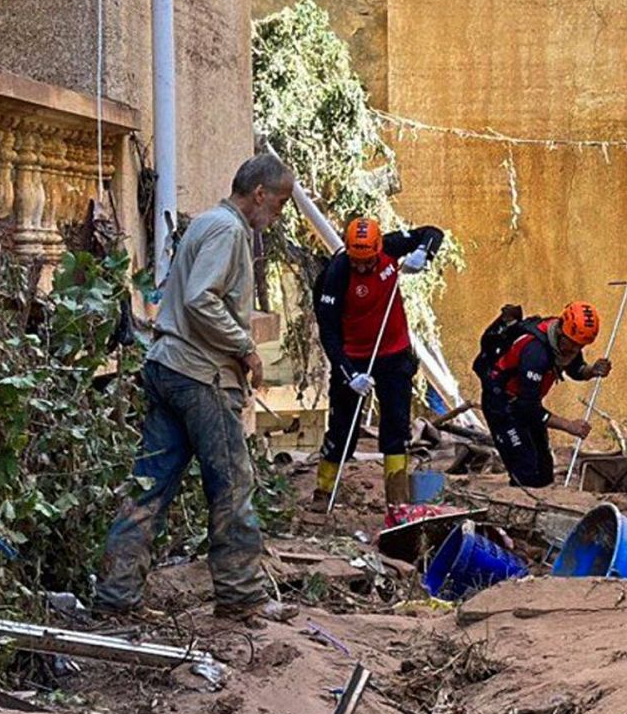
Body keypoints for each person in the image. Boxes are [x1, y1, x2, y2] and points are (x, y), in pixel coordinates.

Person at [97, 154, 298, 622]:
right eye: (281, 203)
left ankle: (116, 596)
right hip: (201, 375)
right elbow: (200, 299)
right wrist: (245, 347)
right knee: (231, 484)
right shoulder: (229, 231)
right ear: (260, 194)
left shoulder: (206, 223)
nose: (280, 215)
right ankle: (240, 595)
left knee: (150, 487)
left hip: (168, 366)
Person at [311, 216, 444, 511]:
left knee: (396, 427)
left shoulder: (391, 247)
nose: (362, 267)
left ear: (378, 249)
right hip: (353, 357)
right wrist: (348, 373)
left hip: (394, 353)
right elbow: (329, 334)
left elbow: (432, 231)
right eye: (356, 261)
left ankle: (397, 500)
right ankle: (323, 493)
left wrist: (424, 252)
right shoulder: (336, 274)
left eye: (368, 261)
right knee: (342, 429)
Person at [480, 302, 611, 487]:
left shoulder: (565, 337)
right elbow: (529, 408)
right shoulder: (535, 352)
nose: (574, 351)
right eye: (572, 345)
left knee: (543, 472)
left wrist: (591, 371)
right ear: (560, 333)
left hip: (526, 404)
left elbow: (574, 369)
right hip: (503, 405)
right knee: (526, 472)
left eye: (580, 346)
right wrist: (568, 425)